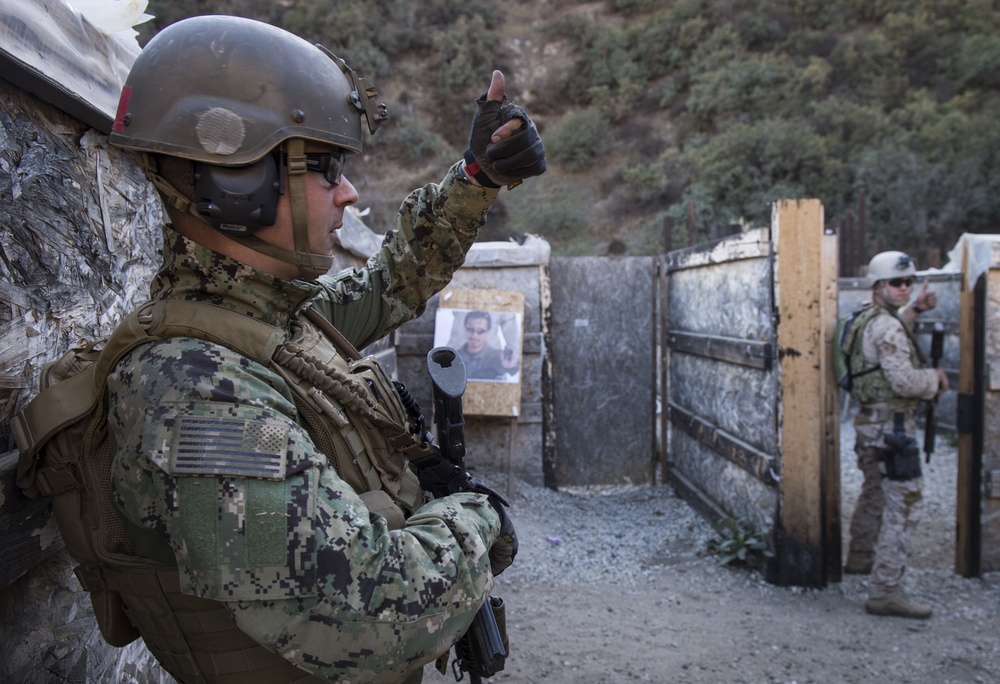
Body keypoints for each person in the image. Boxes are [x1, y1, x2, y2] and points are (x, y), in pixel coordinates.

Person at [103, 15, 544, 684]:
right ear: (238, 182)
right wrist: (479, 518)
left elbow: (393, 281)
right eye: (326, 167)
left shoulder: (268, 320)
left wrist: (475, 178)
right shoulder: (194, 387)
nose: (348, 192)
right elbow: (371, 614)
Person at [843, 251, 948, 620]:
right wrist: (934, 379)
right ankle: (885, 591)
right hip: (893, 430)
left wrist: (915, 310)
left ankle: (859, 558)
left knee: (874, 492)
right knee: (906, 506)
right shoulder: (886, 325)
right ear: (878, 286)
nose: (904, 288)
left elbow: (889, 332)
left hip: (870, 425)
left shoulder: (866, 317)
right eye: (896, 283)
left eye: (907, 282)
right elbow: (903, 380)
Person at [458, 310, 519, 381]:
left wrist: (510, 364)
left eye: (480, 331)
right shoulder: (453, 357)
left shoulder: (499, 357)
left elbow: (515, 369)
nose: (474, 336)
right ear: (464, 329)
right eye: (470, 330)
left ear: (488, 332)